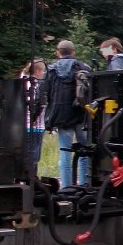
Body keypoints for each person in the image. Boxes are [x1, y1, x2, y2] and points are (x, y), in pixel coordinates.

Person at [40, 40, 92, 188]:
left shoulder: (50, 70)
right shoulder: (84, 68)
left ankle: (67, 188)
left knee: (65, 151)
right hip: (81, 114)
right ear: (73, 52)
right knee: (84, 150)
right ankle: (84, 184)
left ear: (58, 52)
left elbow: (44, 93)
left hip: (61, 116)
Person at [20, 59, 47, 177]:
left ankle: (26, 177)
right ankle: (31, 179)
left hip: (24, 124)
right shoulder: (35, 85)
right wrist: (35, 117)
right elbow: (39, 103)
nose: (43, 74)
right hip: (36, 125)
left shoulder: (23, 82)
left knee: (26, 153)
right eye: (43, 71)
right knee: (34, 155)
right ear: (37, 71)